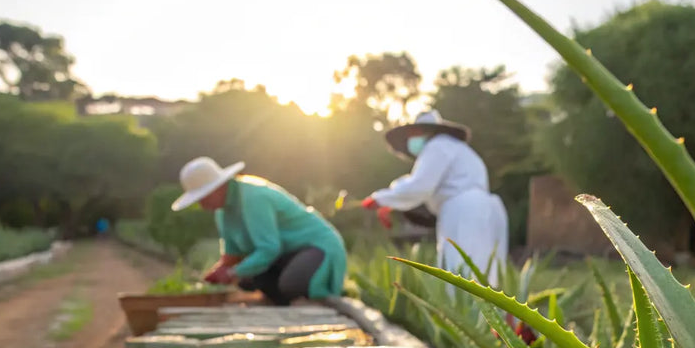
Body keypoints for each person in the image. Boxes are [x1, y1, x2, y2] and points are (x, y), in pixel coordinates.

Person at [172, 157, 347, 305]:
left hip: (317, 246)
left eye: (203, 197)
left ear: (218, 188)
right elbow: (232, 255)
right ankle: (283, 300)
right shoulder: (223, 213)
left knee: (291, 284)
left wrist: (231, 273)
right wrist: (218, 273)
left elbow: (269, 248)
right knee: (248, 281)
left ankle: (308, 301)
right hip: (285, 256)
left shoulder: (254, 198)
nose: (202, 205)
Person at [362, 110, 508, 285]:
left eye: (413, 133)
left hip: (464, 212)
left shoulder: (437, 146)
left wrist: (380, 198)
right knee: (487, 272)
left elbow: (420, 186)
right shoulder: (458, 149)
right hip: (486, 210)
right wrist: (392, 203)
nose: (411, 138)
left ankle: (466, 312)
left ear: (426, 131)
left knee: (460, 271)